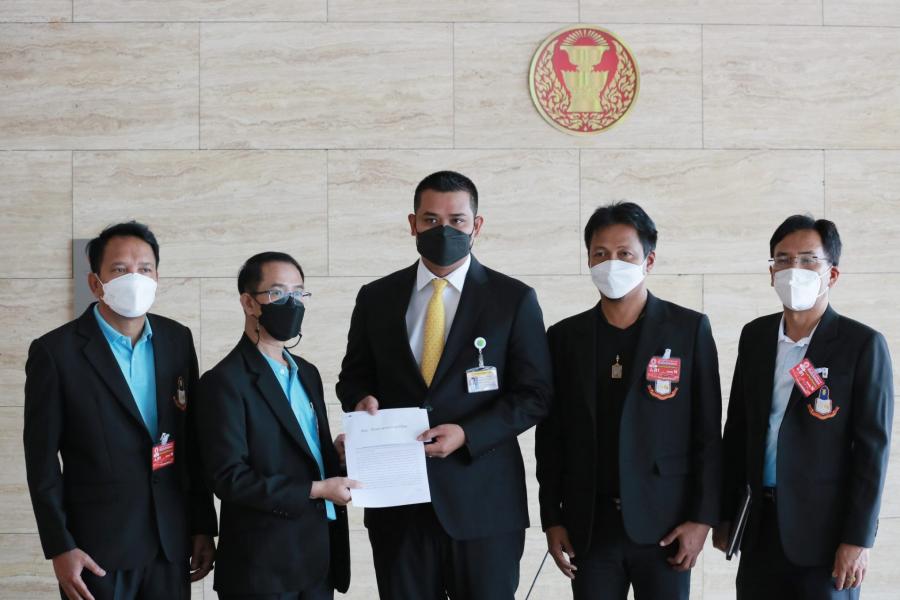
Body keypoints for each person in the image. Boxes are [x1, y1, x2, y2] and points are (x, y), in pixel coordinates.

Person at [336, 170, 553, 600]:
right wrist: (361, 399)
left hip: (484, 505)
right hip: (398, 504)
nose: (444, 230)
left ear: (477, 225)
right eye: (431, 220)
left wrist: (469, 434)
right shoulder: (376, 297)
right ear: (413, 224)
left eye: (457, 220)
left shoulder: (512, 299)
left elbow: (535, 395)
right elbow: (353, 376)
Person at [535, 202, 723, 600]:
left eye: (625, 254)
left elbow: (708, 434)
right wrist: (552, 518)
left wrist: (702, 519)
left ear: (648, 260)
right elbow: (550, 438)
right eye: (601, 254)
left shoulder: (688, 329)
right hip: (589, 526)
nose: (612, 264)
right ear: (588, 260)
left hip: (667, 527)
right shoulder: (565, 338)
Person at [23, 221, 217, 600]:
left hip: (170, 543)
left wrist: (201, 525)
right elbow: (41, 461)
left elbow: (191, 442)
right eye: (120, 269)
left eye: (145, 269)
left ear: (157, 277)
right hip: (96, 552)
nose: (135, 278)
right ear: (96, 283)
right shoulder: (55, 353)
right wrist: (60, 547)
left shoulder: (177, 339)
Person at [714, 215, 893, 599]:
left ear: (832, 274)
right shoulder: (755, 336)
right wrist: (726, 514)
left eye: (808, 260)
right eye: (783, 260)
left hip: (825, 538)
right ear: (771, 272)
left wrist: (857, 539)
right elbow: (739, 428)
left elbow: (872, 452)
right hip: (760, 528)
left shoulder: (861, 345)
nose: (793, 270)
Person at [196, 252, 354, 600]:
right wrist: (316, 489)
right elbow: (229, 478)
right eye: (278, 293)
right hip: (262, 570)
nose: (291, 303)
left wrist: (336, 457)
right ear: (249, 303)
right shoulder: (224, 382)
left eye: (299, 293)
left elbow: (303, 452)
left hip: (318, 559)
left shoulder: (307, 372)